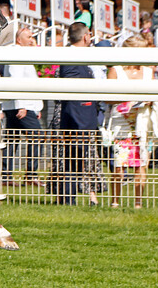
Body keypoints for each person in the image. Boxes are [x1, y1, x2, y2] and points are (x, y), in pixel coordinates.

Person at [105, 35, 158, 208]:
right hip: (121, 122)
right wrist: (125, 101)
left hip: (142, 122)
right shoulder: (116, 70)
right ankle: (115, 201)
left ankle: (138, 203)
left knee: (141, 164)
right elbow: (106, 98)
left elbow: (154, 94)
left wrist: (149, 100)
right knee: (119, 164)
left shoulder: (149, 71)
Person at [53, 22, 101, 205]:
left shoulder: (76, 55)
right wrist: (79, 122)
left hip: (81, 117)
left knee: (76, 161)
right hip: (78, 119)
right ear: (86, 37)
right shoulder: (72, 56)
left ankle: (71, 199)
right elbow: (72, 92)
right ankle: (68, 199)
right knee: (74, 160)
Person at [1, 27, 44, 188]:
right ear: (19, 40)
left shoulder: (22, 53)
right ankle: (30, 175)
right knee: (36, 137)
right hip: (20, 106)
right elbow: (16, 80)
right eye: (29, 37)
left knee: (12, 140)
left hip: (19, 105)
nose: (32, 40)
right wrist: (23, 106)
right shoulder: (17, 53)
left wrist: (36, 107)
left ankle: (6, 176)